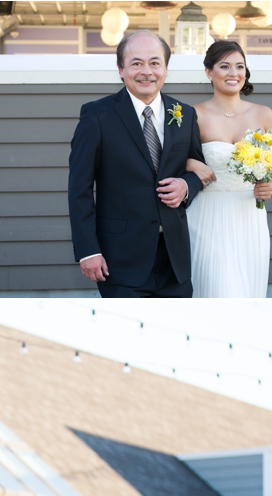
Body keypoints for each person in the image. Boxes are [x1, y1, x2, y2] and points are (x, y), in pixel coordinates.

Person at [68, 30, 211, 298]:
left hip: (175, 261)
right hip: (120, 262)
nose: (146, 71)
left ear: (166, 69)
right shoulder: (96, 116)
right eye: (136, 63)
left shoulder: (185, 115)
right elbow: (80, 189)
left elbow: (197, 168)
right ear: (121, 69)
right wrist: (89, 250)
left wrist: (186, 185)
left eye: (154, 63)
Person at [185, 40, 272, 298]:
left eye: (239, 66)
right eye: (224, 66)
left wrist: (269, 186)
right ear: (209, 72)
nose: (233, 73)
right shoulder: (193, 115)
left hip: (250, 216)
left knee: (249, 292)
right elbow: (169, 159)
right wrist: (190, 163)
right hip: (209, 215)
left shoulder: (264, 114)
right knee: (219, 291)